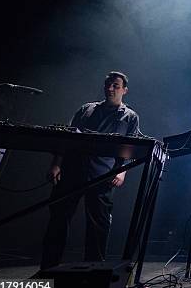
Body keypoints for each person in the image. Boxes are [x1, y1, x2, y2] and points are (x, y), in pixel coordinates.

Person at [40, 71, 140, 270]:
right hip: (72, 171)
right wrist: (57, 163)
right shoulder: (87, 109)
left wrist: (122, 171)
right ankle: (48, 268)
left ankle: (93, 271)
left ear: (124, 90)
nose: (110, 89)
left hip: (103, 175)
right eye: (108, 84)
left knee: (98, 226)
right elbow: (66, 137)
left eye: (115, 86)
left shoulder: (130, 117)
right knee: (59, 219)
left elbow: (132, 147)